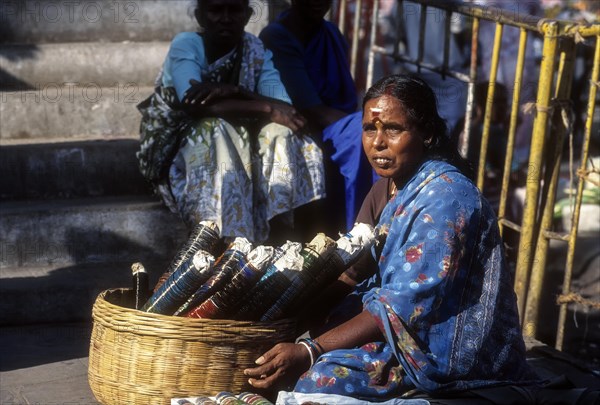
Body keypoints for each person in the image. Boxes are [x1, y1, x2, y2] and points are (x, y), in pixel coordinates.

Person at [244, 75, 534, 400]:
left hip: (440, 345)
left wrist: (310, 350)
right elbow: (353, 272)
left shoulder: (447, 200)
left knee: (319, 378)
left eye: (393, 129)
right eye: (370, 129)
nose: (378, 142)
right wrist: (293, 323)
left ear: (426, 133)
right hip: (395, 321)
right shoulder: (388, 187)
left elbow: (402, 306)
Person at [137, 0, 325, 244]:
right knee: (213, 128)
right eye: (216, 10)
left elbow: (285, 107)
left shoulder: (254, 50)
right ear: (201, 17)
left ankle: (280, 225)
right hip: (176, 146)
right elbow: (194, 105)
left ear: (247, 15)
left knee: (282, 131)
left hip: (241, 140)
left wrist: (233, 90)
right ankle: (221, 235)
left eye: (234, 10)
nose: (225, 18)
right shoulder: (187, 44)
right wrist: (265, 107)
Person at [259, 0, 375, 233]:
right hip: (302, 123)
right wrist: (367, 124)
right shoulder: (277, 36)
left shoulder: (330, 32)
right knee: (363, 133)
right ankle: (357, 229)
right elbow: (311, 107)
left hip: (335, 120)